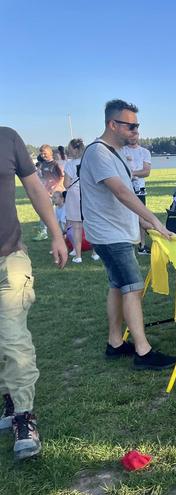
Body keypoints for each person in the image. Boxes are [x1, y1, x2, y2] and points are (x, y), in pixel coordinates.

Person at [80, 99, 176, 370]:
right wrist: (154, 219)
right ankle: (143, 352)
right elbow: (121, 193)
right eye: (131, 126)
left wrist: (141, 223)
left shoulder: (116, 152)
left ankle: (115, 343)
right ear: (113, 124)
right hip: (110, 235)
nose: (136, 131)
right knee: (133, 288)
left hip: (117, 232)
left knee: (117, 286)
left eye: (138, 126)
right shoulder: (98, 153)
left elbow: (127, 193)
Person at [0, 126, 68, 460]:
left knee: (13, 338)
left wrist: (57, 234)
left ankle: (24, 416)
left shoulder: (7, 138)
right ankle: (9, 397)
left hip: (8, 258)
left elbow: (36, 191)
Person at [63, 138, 100, 263]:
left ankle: (78, 256)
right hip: (88, 194)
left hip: (74, 196)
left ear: (74, 149)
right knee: (92, 225)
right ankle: (95, 253)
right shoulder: (90, 161)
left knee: (76, 228)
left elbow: (66, 184)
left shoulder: (69, 164)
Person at [121, 138, 152, 255]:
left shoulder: (144, 152)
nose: (133, 137)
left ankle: (142, 245)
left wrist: (132, 173)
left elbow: (146, 172)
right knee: (125, 217)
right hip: (124, 189)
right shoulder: (121, 151)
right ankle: (126, 244)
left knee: (141, 218)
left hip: (139, 189)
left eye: (136, 134)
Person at [33, 144, 64, 241]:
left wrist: (55, 188)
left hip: (57, 193)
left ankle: (63, 234)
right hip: (46, 192)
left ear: (50, 152)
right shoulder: (43, 165)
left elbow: (62, 177)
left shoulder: (56, 164)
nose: (43, 155)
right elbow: (43, 178)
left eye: (44, 153)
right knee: (43, 211)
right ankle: (44, 232)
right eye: (41, 153)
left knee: (59, 215)